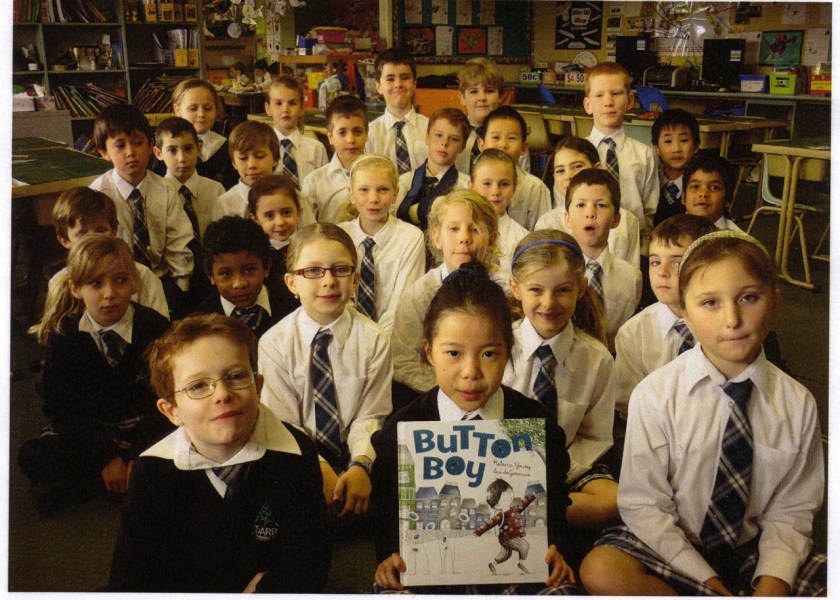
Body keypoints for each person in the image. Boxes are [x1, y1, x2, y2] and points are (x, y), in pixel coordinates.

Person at [580, 231, 826, 596]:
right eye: (710, 303)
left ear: (774, 301)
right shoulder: (657, 394)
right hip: (674, 541)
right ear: (685, 314)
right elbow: (646, 503)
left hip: (753, 547)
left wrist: (771, 585)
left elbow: (792, 511)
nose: (732, 319)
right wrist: (706, 579)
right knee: (602, 569)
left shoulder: (797, 402)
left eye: (749, 298)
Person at [370, 265, 577, 594]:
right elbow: (386, 510)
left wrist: (557, 551)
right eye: (453, 353)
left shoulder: (537, 424)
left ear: (509, 351)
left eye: (489, 354)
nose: (471, 372)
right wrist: (387, 558)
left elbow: (554, 508)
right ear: (428, 351)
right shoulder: (402, 430)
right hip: (427, 576)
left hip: (519, 579)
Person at [108, 313, 331, 592]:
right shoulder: (151, 470)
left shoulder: (296, 455)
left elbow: (309, 564)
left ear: (258, 387)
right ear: (172, 410)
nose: (222, 394)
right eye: (198, 385)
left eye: (236, 376)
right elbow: (130, 576)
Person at [20, 234, 171, 516]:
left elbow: (166, 398)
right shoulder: (64, 334)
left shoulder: (154, 327)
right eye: (95, 283)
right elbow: (62, 408)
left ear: (135, 282)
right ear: (75, 288)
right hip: (91, 430)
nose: (109, 293)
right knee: (33, 457)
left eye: (120, 280)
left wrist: (137, 454)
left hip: (143, 427)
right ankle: (120, 480)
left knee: (185, 442)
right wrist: (106, 457)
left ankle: (106, 482)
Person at [258, 223, 392, 517]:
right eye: (313, 271)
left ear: (355, 278)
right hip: (298, 456)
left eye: (340, 269)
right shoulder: (274, 343)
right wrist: (316, 466)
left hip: (355, 453)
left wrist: (360, 464)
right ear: (292, 282)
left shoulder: (374, 339)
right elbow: (284, 424)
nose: (329, 281)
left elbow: (370, 415)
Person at [504, 229, 617, 531]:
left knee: (612, 500)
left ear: (581, 288)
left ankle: (529, 516)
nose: (549, 302)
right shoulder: (497, 349)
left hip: (568, 469)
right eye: (536, 290)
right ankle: (535, 516)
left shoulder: (597, 359)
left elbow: (594, 437)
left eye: (563, 290)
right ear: (515, 288)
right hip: (502, 465)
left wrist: (556, 474)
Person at [391, 189, 502, 398]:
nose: (464, 238)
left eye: (475, 230)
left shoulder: (505, 289)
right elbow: (403, 360)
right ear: (436, 237)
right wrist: (453, 391)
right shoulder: (418, 295)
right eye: (453, 229)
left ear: (492, 239)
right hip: (436, 396)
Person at [89, 103, 195, 317]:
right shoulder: (97, 195)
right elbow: (92, 252)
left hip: (160, 279)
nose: (131, 153)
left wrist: (181, 291)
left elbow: (179, 245)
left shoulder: (166, 190)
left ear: (150, 145)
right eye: (119, 146)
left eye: (138, 143)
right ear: (103, 152)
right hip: (113, 284)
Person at [613, 214, 716, 420]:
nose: (662, 272)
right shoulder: (633, 333)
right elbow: (629, 405)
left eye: (677, 262)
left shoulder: (723, 325)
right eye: (655, 262)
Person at [48, 187, 169, 320]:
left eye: (100, 231)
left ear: (114, 231)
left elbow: (162, 332)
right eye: (82, 234)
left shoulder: (144, 276)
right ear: (65, 241)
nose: (94, 240)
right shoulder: (59, 282)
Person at [337, 155, 425, 332]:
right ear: (351, 194)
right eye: (363, 190)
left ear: (395, 195)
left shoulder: (410, 237)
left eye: (383, 189)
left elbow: (402, 305)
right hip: (346, 333)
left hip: (392, 338)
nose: (374, 198)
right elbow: (339, 298)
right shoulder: (339, 236)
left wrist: (376, 342)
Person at [583, 63, 658, 255]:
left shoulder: (644, 155)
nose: (608, 102)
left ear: (630, 100)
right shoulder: (577, 154)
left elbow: (650, 210)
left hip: (635, 246)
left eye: (616, 93)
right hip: (586, 245)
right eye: (599, 95)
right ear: (588, 105)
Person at [564, 168, 641, 352]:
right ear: (567, 218)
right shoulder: (559, 273)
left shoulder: (632, 278)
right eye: (581, 205)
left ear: (616, 220)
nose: (590, 213)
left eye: (601, 205)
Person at [535, 136, 640, 268]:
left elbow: (632, 274)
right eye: (560, 170)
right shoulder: (547, 223)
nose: (568, 176)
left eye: (577, 166)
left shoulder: (627, 221)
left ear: (597, 168)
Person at [154, 116, 225, 305]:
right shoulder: (154, 194)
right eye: (172, 150)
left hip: (211, 279)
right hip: (171, 282)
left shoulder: (215, 189)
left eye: (188, 149)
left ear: (199, 148)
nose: (182, 158)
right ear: (158, 153)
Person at [194, 216, 296, 339]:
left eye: (249, 270)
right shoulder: (199, 325)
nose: (239, 283)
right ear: (211, 275)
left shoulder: (291, 310)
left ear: (266, 267)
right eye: (226, 274)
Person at [396, 107, 470, 231]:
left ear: (462, 147)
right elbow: (393, 218)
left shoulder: (465, 186)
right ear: (427, 137)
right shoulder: (405, 181)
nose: (444, 142)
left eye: (454, 139)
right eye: (439, 135)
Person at [477, 106, 551, 231]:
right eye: (496, 137)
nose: (503, 145)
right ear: (481, 145)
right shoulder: (472, 184)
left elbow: (542, 236)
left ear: (524, 148)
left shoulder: (535, 188)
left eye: (511, 138)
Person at [301, 94, 368, 223]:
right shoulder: (314, 182)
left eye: (358, 132)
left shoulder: (381, 174)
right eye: (342, 132)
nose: (351, 140)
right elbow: (308, 230)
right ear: (330, 137)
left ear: (367, 134)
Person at [365, 47, 429, 175]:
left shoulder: (430, 129)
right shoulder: (369, 134)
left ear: (415, 83)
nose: (398, 84)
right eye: (390, 79)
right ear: (378, 87)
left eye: (405, 77)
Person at [467, 148, 527, 276]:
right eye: (487, 183)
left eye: (504, 184)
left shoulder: (522, 239)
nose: (495, 192)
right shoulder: (460, 231)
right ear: (471, 186)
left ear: (514, 187)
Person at [246, 173, 301, 311]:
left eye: (286, 213)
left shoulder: (306, 249)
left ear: (298, 212)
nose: (280, 222)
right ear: (256, 219)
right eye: (269, 216)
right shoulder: (255, 253)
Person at [171, 78, 236, 189]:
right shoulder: (168, 148)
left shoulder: (227, 147)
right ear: (178, 110)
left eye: (208, 108)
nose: (201, 114)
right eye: (193, 108)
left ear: (216, 110)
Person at [264, 76, 328, 188]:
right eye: (278, 103)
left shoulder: (316, 149)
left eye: (292, 103)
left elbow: (324, 189)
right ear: (268, 108)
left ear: (302, 108)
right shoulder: (262, 148)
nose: (285, 110)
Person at [213, 120, 280, 219]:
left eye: (260, 156)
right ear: (234, 162)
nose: (251, 165)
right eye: (243, 158)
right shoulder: (224, 204)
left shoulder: (293, 198)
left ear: (275, 158)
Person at [652, 108, 700, 226]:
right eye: (668, 141)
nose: (676, 149)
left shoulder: (700, 188)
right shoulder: (649, 182)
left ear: (696, 146)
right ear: (656, 148)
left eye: (684, 140)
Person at [682, 151, 742, 232]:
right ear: (683, 197)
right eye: (695, 186)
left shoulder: (737, 240)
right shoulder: (668, 233)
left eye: (714, 188)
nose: (703, 194)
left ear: (728, 199)